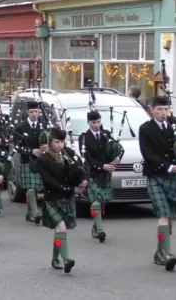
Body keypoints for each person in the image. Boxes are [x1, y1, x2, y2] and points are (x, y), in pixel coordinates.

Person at [139, 95, 176, 272]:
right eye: (159, 109)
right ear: (151, 110)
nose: (163, 113)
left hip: (174, 177)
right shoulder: (145, 129)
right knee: (163, 213)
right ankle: (167, 254)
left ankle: (160, 252)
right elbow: (148, 155)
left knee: (169, 216)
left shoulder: (174, 126)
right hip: (155, 175)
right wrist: (169, 167)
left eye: (166, 109)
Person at [36, 128, 86, 273]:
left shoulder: (68, 154)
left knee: (60, 230)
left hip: (67, 198)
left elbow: (77, 171)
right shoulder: (43, 160)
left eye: (62, 142)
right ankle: (66, 260)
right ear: (50, 143)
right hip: (52, 198)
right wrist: (71, 189)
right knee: (62, 227)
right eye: (56, 142)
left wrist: (82, 181)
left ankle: (55, 258)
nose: (60, 145)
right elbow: (50, 182)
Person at [80, 111, 124, 242]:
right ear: (88, 123)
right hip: (93, 173)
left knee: (102, 202)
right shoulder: (84, 137)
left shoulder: (106, 135)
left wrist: (117, 158)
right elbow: (87, 158)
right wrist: (102, 166)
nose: (96, 125)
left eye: (98, 122)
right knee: (96, 202)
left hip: (106, 173)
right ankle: (99, 230)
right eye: (93, 122)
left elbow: (120, 148)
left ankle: (95, 227)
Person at [14, 101, 45, 224]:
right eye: (31, 112)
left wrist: (47, 147)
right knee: (31, 188)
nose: (34, 114)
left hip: (40, 162)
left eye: (36, 111)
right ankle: (36, 212)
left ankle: (29, 213)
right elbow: (17, 146)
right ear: (27, 112)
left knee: (36, 189)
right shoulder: (20, 127)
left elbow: (50, 140)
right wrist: (31, 151)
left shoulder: (43, 125)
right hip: (27, 160)